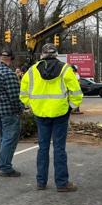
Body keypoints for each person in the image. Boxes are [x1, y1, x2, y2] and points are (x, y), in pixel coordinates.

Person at [20, 43, 83, 192]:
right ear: (56, 54)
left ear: (42, 55)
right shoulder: (66, 69)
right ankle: (62, 183)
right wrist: (71, 107)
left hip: (40, 114)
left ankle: (41, 182)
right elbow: (76, 92)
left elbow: (23, 93)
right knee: (59, 148)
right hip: (60, 113)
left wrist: (32, 106)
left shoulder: (32, 70)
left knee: (43, 148)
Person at [0, 47, 23, 177]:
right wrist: (20, 108)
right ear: (11, 59)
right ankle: (6, 167)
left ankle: (3, 162)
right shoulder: (9, 74)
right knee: (9, 139)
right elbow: (14, 96)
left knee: (3, 138)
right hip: (9, 111)